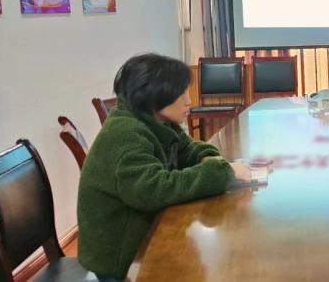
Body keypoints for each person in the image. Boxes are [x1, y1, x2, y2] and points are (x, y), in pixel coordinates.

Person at [77, 53, 251, 281]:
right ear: (154, 96)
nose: (189, 101)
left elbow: (187, 149)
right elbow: (153, 190)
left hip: (141, 236)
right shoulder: (126, 133)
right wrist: (220, 172)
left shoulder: (155, 120)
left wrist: (210, 159)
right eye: (181, 93)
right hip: (121, 259)